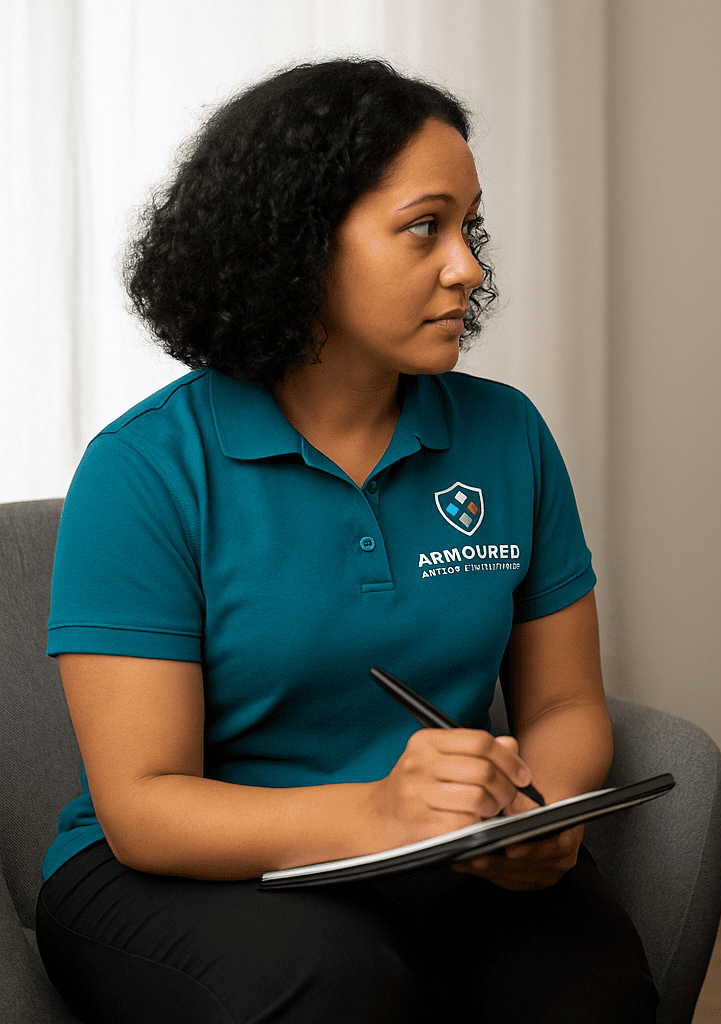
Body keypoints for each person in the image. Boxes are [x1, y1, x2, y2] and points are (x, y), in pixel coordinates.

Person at [35, 59, 656, 1024]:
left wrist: (542, 811)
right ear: (298, 244)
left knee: (592, 984)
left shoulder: (509, 434)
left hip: (434, 851)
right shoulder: (145, 468)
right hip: (188, 872)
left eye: (469, 226)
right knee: (334, 987)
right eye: (424, 228)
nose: (469, 267)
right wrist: (378, 814)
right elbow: (145, 805)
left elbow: (568, 701)